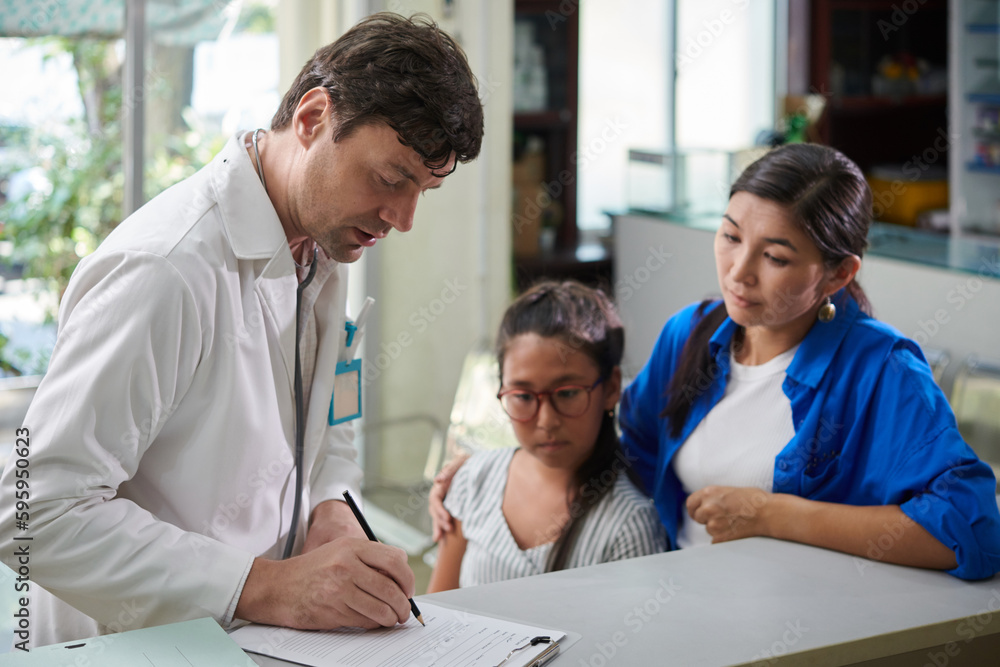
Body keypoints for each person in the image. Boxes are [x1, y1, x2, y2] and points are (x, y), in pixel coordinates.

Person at [0, 12, 483, 647]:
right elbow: (32, 512)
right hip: (139, 645)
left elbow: (330, 431)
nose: (404, 217)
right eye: (391, 179)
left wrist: (331, 511)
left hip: (260, 640)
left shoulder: (321, 254)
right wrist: (263, 586)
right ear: (313, 119)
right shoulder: (165, 269)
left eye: (424, 189)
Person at [432, 144, 1000, 581]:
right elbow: (625, 450)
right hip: (685, 611)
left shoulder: (880, 369)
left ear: (838, 273)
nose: (738, 271)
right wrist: (489, 474)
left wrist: (774, 515)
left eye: (775, 256)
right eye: (730, 237)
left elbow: (973, 534)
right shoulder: (692, 335)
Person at [425, 281, 666, 593]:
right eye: (523, 396)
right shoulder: (474, 479)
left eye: (567, 394)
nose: (547, 420)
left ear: (610, 388)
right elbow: (438, 611)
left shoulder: (629, 523)